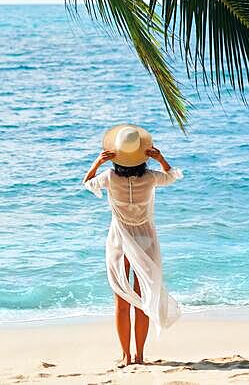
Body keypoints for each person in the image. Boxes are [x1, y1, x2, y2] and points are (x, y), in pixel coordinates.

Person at [82, 124, 183, 368]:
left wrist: (97, 162)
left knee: (122, 300)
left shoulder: (109, 177)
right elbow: (171, 176)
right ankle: (140, 356)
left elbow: (87, 182)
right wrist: (160, 158)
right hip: (145, 239)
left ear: (116, 155)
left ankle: (126, 357)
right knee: (142, 296)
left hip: (119, 239)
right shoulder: (150, 178)